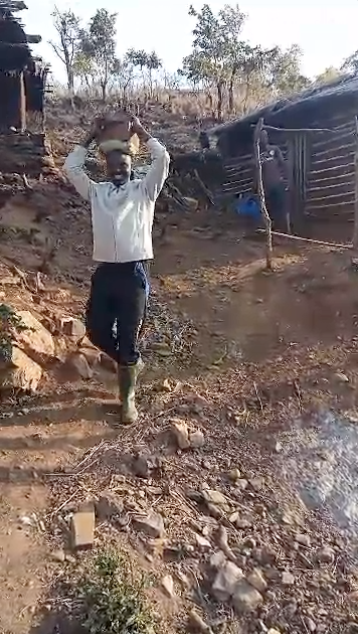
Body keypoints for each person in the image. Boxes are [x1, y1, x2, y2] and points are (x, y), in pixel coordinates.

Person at [64, 115, 170, 424]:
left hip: (133, 274)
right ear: (105, 168)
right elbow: (71, 169)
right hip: (106, 273)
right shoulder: (97, 193)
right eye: (111, 165)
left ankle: (127, 400)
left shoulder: (144, 191)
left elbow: (162, 158)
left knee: (128, 338)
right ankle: (130, 363)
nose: (117, 169)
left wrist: (140, 131)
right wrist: (88, 136)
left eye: (122, 163)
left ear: (131, 165)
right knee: (96, 331)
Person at [258, 129, 289, 232]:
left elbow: (283, 163)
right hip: (266, 187)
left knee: (282, 208)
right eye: (261, 137)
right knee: (270, 209)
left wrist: (285, 178)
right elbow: (256, 171)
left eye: (265, 136)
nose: (264, 139)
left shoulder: (274, 149)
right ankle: (274, 232)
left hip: (277, 183)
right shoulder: (258, 154)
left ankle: (287, 231)